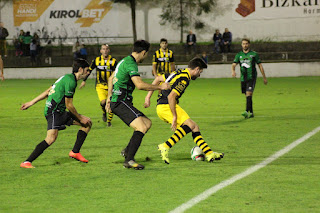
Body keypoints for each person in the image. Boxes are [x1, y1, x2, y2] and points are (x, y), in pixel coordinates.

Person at [144, 57, 224, 164]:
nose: (199, 74)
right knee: (191, 125)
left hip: (161, 107)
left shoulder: (178, 72)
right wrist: (174, 116)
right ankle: (165, 146)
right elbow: (171, 97)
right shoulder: (184, 79)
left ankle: (209, 153)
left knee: (194, 127)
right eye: (200, 72)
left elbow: (158, 78)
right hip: (166, 106)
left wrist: (148, 97)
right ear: (196, 69)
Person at [106, 40, 170, 170]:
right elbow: (139, 85)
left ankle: (127, 151)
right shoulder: (131, 64)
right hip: (120, 102)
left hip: (119, 101)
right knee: (141, 127)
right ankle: (129, 160)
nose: (145, 57)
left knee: (147, 123)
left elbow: (110, 78)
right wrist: (160, 87)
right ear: (143, 52)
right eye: (145, 55)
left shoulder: (123, 61)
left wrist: (108, 98)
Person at [20, 59, 92, 169]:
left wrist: (31, 102)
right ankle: (27, 162)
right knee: (50, 138)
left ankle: (75, 152)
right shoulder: (71, 81)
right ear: (80, 69)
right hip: (53, 111)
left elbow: (49, 91)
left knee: (87, 124)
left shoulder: (66, 77)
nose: (88, 73)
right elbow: (69, 105)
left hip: (60, 111)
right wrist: (79, 117)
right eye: (87, 70)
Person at [80, 44, 117, 126]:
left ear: (109, 50)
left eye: (107, 49)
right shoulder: (96, 60)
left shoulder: (113, 61)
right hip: (100, 86)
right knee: (103, 102)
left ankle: (109, 122)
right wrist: (84, 80)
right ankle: (104, 112)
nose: (105, 50)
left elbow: (117, 73)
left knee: (111, 103)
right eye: (103, 49)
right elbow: (89, 70)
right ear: (101, 51)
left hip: (111, 86)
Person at [231, 38, 268, 118]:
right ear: (241, 45)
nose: (245, 45)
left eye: (246, 43)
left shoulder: (254, 54)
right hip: (243, 78)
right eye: (243, 44)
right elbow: (234, 64)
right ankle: (251, 112)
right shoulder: (239, 55)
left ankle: (246, 111)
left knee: (249, 93)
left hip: (252, 77)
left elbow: (260, 65)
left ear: (249, 44)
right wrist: (233, 71)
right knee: (247, 95)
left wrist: (264, 77)